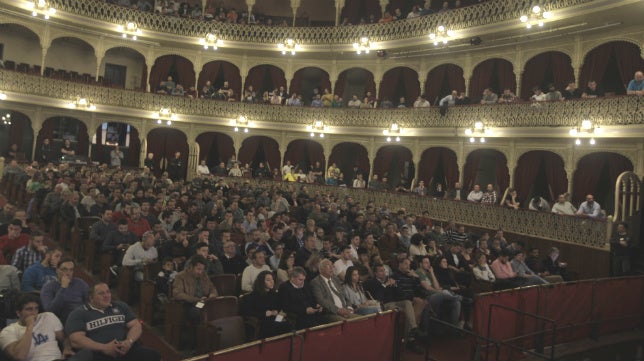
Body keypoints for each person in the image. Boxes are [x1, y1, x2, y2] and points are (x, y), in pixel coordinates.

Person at [65, 282, 161, 361]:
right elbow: (76, 340)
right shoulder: (79, 313)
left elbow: (136, 325)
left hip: (125, 350)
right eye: (101, 293)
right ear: (91, 298)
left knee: (153, 355)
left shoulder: (120, 306)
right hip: (98, 354)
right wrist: (104, 348)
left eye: (108, 292)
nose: (106, 296)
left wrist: (128, 342)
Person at [0, 293, 77, 361]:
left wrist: (67, 348)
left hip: (58, 359)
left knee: (87, 353)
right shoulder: (8, 332)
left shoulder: (48, 316)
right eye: (29, 309)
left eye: (36, 308)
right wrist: (30, 327)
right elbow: (20, 356)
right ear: (18, 313)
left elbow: (64, 339)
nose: (34, 313)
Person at [240, 271, 292, 338]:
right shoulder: (251, 296)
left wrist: (280, 313)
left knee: (287, 324)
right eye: (268, 280)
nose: (272, 281)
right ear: (261, 282)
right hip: (262, 321)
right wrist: (264, 314)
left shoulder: (275, 295)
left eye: (272, 279)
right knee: (280, 326)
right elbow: (245, 312)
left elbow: (282, 308)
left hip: (276, 319)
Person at [172, 255, 218, 323]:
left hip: (204, 302)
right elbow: (177, 294)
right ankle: (201, 332)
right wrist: (196, 299)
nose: (200, 272)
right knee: (201, 312)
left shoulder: (204, 275)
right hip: (189, 304)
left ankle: (212, 331)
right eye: (198, 269)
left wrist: (212, 295)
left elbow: (212, 288)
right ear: (191, 267)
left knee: (219, 309)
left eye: (202, 269)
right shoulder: (181, 276)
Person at [40, 258, 89, 322]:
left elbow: (89, 303)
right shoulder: (48, 287)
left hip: (81, 317)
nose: (68, 273)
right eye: (64, 269)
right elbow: (50, 311)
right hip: (60, 320)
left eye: (71, 270)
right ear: (57, 270)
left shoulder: (80, 283)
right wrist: (63, 288)